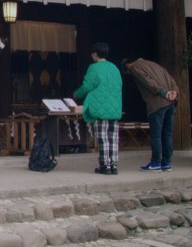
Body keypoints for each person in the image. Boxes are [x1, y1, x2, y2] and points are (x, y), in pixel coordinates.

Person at [121, 58, 179, 172]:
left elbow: (148, 82)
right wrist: (174, 92)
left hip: (157, 104)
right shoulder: (155, 65)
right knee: (167, 133)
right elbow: (172, 81)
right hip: (171, 103)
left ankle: (155, 162)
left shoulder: (134, 67)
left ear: (127, 66)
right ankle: (167, 162)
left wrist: (164, 93)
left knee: (156, 135)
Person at [74, 42, 123, 175]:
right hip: (115, 107)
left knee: (103, 138)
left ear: (95, 54)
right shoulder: (114, 68)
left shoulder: (94, 68)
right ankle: (114, 166)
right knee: (113, 138)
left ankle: (104, 166)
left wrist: (77, 94)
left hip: (100, 108)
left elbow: (87, 86)